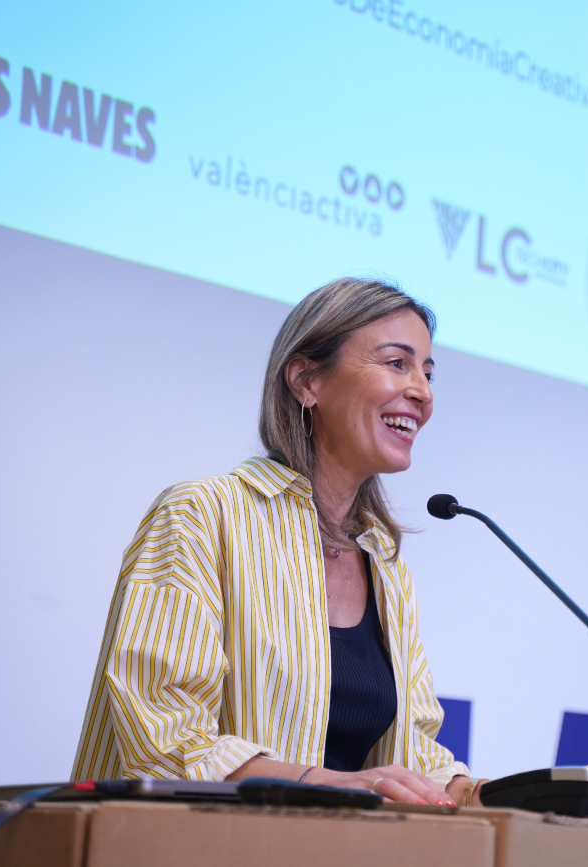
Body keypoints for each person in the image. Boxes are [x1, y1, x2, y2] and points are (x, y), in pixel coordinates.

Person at [72, 278, 484, 806]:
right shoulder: (202, 515)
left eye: (427, 373)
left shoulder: (382, 558)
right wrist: (330, 783)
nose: (422, 392)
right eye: (396, 363)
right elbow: (165, 739)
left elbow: (410, 757)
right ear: (306, 381)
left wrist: (504, 794)